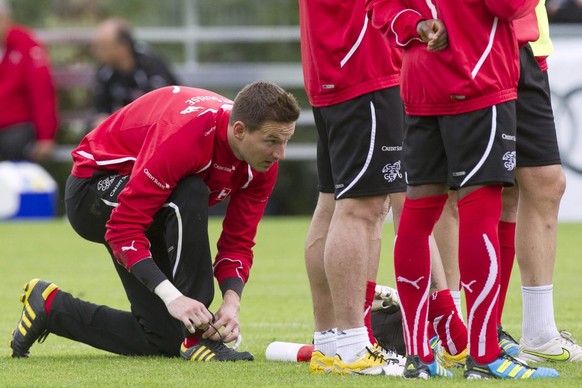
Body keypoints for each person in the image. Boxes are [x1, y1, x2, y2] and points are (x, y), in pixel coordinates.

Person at [9, 81, 300, 361]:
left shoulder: (263, 164)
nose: (280, 154)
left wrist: (231, 303)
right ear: (239, 130)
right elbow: (122, 230)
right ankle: (200, 337)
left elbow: (238, 242)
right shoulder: (187, 136)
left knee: (163, 338)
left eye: (286, 141)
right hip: (92, 193)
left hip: (153, 207)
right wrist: (172, 296)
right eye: (272, 141)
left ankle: (50, 306)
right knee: (190, 190)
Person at [367, 0, 559, 380]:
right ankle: (485, 355)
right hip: (478, 75)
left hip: (421, 83)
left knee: (418, 213)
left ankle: (419, 356)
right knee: (481, 210)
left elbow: (381, 7)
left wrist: (417, 25)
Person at [299, 0, 407, 376]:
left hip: (334, 64)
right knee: (362, 207)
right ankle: (351, 344)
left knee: (333, 203)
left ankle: (329, 344)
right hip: (362, 65)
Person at [496, 0, 582, 362]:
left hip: (526, 48)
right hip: (480, 46)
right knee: (462, 192)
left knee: (543, 184)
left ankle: (538, 332)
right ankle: (459, 330)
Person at [90, 17, 178, 128]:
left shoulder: (150, 65)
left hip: (157, 129)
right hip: (124, 132)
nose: (94, 51)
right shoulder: (105, 71)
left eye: (103, 47)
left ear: (122, 47)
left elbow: (164, 107)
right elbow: (101, 109)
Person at [0, 0, 58, 161]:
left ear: (7, 19)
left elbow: (42, 93)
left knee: (13, 146)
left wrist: (46, 136)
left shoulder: (26, 45)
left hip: (16, 125)